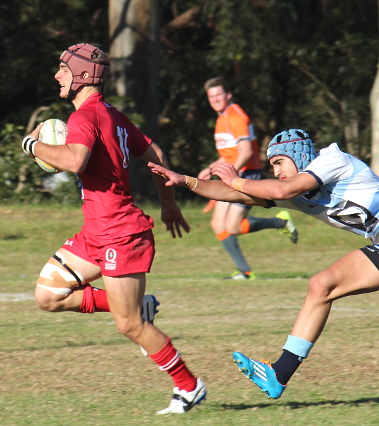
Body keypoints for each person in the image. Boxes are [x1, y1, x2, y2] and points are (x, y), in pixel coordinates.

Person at [20, 43, 206, 414]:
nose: (57, 75)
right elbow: (156, 155)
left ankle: (189, 386)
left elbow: (75, 160)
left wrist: (33, 145)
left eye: (63, 69)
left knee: (129, 326)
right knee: (48, 295)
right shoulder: (113, 116)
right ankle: (141, 307)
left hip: (121, 233)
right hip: (97, 231)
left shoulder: (84, 117)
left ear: (83, 75)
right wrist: (168, 204)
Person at [148, 128, 379, 399]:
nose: (276, 171)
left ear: (300, 155)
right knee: (321, 285)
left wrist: (237, 180)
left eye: (279, 162)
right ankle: (278, 375)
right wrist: (185, 180)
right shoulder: (300, 194)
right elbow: (235, 194)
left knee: (322, 285)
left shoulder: (333, 160)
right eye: (272, 166)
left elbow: (281, 187)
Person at [200, 77, 298, 280]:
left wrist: (228, 175)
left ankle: (279, 222)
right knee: (218, 224)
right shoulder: (222, 118)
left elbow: (244, 152)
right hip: (234, 171)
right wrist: (211, 169)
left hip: (246, 173)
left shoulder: (236, 117)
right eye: (212, 96)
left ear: (228, 95)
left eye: (219, 94)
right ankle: (245, 272)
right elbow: (230, 153)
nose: (215, 99)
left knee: (233, 227)